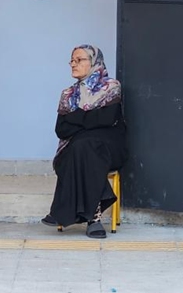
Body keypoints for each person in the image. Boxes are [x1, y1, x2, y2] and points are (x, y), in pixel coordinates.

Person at [41, 44, 126, 239]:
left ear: (94, 61)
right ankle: (94, 220)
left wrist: (76, 116)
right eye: (72, 60)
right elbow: (61, 129)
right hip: (76, 151)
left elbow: (107, 120)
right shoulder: (67, 94)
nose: (73, 64)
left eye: (79, 60)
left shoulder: (111, 87)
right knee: (83, 147)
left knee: (85, 144)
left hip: (109, 149)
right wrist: (90, 118)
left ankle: (61, 210)